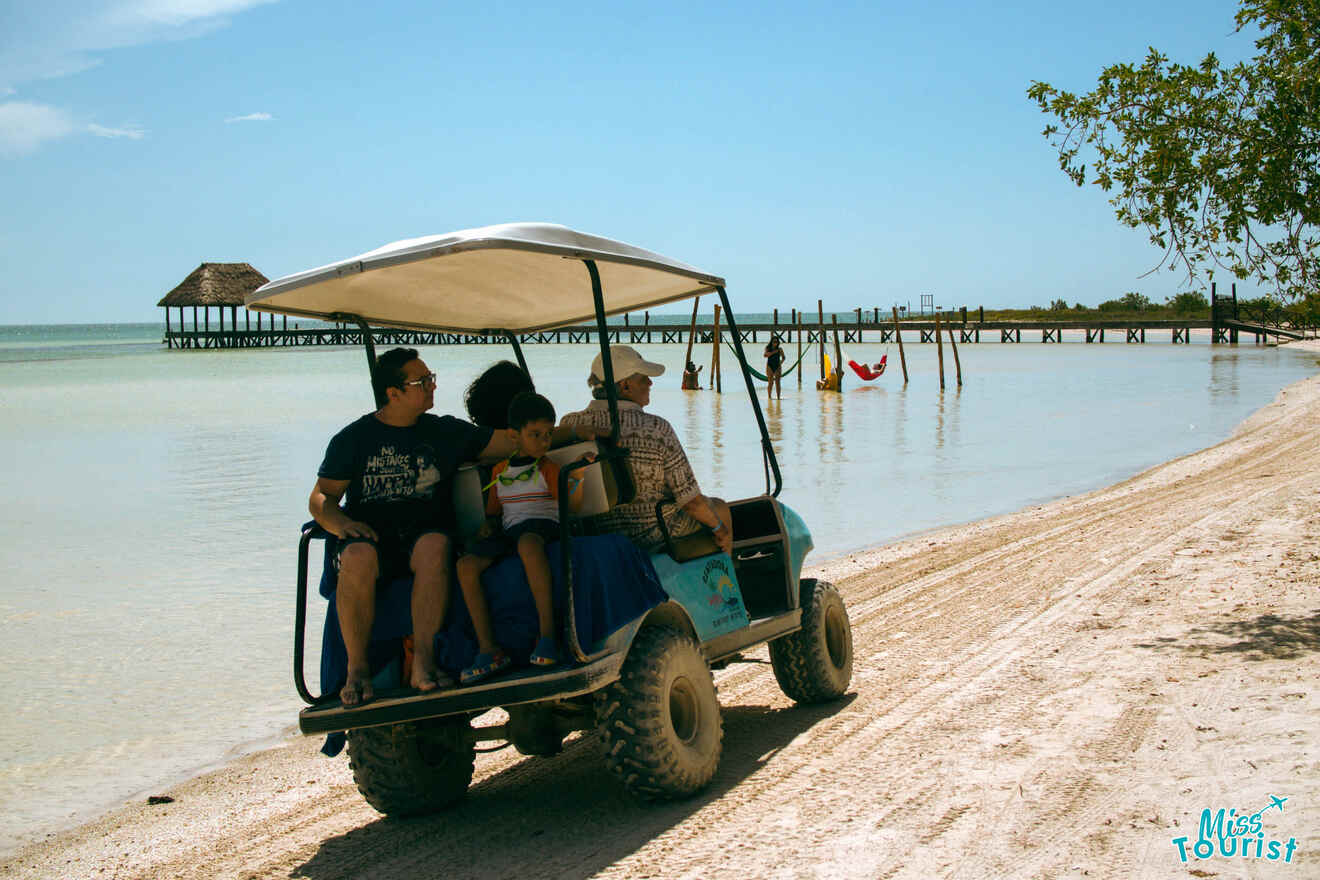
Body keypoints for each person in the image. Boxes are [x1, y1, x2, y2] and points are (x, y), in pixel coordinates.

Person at [309, 347, 515, 706]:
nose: (433, 386)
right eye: (423, 381)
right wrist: (340, 522)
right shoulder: (353, 438)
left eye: (431, 378)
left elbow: (513, 442)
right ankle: (357, 670)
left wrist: (577, 431)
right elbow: (321, 498)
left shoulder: (445, 431)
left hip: (425, 536)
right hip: (372, 537)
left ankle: (424, 660)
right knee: (356, 554)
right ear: (394, 393)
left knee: (434, 545)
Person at [455, 392, 595, 684]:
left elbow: (572, 507)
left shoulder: (548, 468)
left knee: (528, 543)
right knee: (466, 565)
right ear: (513, 436)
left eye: (547, 435)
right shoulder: (499, 472)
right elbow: (495, 512)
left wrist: (578, 475)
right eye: (535, 435)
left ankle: (547, 635)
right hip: (511, 530)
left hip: (544, 526)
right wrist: (486, 528)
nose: (544, 442)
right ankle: (488, 647)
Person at [559, 345, 733, 557]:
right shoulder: (657, 428)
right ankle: (728, 580)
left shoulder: (570, 424)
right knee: (720, 508)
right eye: (644, 379)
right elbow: (691, 502)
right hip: (652, 532)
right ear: (624, 386)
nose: (650, 383)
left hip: (596, 532)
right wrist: (719, 528)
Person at [764, 334, 785, 400]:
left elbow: (784, 357)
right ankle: (769, 397)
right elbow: (765, 355)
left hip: (777, 366)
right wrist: (773, 352)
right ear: (771, 342)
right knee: (770, 382)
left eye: (776, 342)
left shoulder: (780, 349)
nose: (775, 343)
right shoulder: (768, 348)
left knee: (777, 383)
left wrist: (780, 363)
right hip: (769, 366)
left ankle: (778, 397)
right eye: (774, 342)